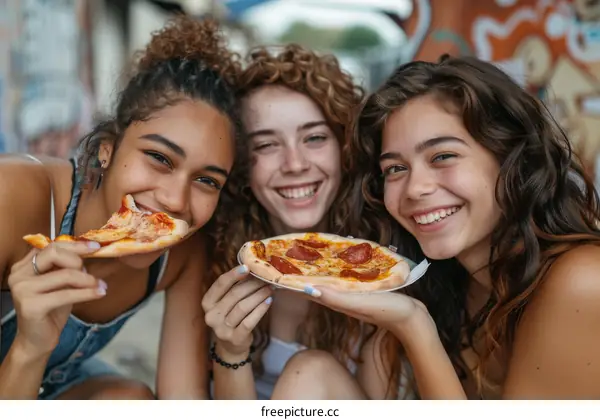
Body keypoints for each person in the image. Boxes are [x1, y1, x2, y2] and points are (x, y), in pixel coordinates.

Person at [303, 55, 600, 399]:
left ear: (511, 158)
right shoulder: (454, 285)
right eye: (395, 169)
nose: (414, 188)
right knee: (310, 372)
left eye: (442, 156)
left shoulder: (582, 280)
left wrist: (413, 327)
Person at [0, 15, 241, 400]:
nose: (176, 201)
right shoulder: (11, 198)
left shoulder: (183, 254)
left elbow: (183, 402)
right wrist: (30, 348)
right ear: (108, 148)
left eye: (207, 181)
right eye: (160, 158)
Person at [202, 44, 408, 400]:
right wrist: (230, 352)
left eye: (314, 138)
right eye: (266, 145)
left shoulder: (381, 256)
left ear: (345, 148)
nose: (295, 163)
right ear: (241, 165)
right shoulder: (215, 252)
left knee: (310, 370)